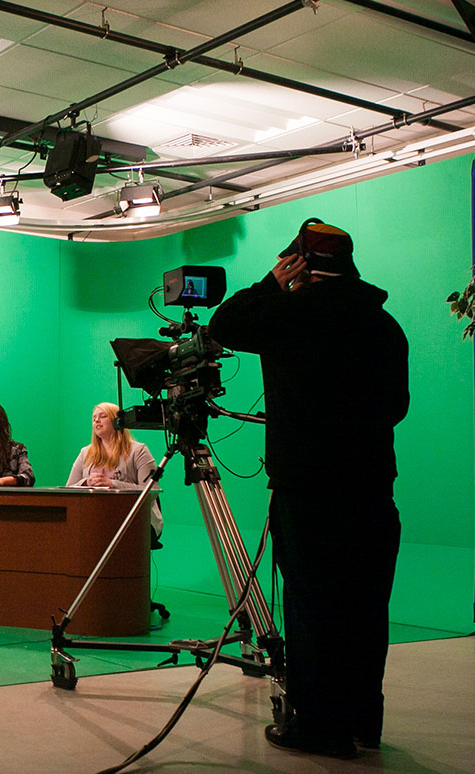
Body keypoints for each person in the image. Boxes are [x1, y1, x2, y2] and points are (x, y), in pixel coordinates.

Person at [207, 219, 408, 760]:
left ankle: (320, 727)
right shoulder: (384, 326)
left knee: (312, 607)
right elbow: (397, 408)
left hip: (309, 489)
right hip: (371, 490)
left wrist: (271, 284)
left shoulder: (289, 315)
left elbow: (224, 324)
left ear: (298, 263)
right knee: (366, 609)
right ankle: (365, 721)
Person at [65, 402, 163, 539]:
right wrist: (86, 481)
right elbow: (67, 490)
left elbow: (151, 492)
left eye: (102, 416)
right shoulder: (85, 452)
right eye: (94, 418)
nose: (96, 420)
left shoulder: (139, 450)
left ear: (117, 421)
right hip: (93, 519)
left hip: (133, 519)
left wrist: (112, 484)